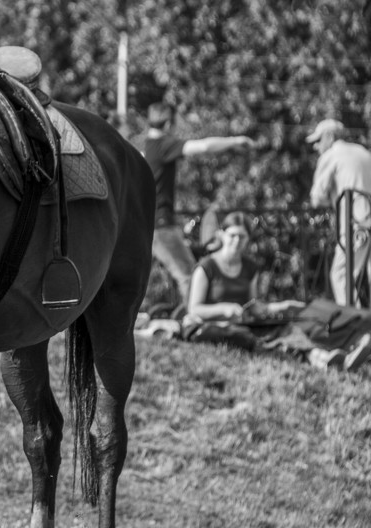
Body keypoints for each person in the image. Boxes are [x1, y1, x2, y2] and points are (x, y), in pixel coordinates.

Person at [182, 212, 371, 371]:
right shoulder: (206, 267)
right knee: (262, 340)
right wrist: (224, 308)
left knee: (288, 329)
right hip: (218, 327)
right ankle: (324, 360)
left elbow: (253, 305)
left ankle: (324, 358)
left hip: (245, 323)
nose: (237, 241)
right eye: (233, 235)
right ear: (222, 235)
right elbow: (194, 309)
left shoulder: (250, 267)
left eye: (242, 237)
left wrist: (280, 306)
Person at [144, 102, 256, 305]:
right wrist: (234, 141)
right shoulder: (162, 145)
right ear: (168, 123)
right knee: (189, 274)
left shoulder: (144, 146)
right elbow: (202, 146)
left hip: (149, 223)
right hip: (160, 225)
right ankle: (193, 325)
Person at [306, 119, 371, 307]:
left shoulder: (331, 156)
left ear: (329, 136)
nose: (316, 146)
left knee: (340, 275)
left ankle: (357, 330)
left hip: (356, 224)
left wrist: (331, 199)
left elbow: (316, 198)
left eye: (318, 140)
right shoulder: (364, 152)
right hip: (366, 220)